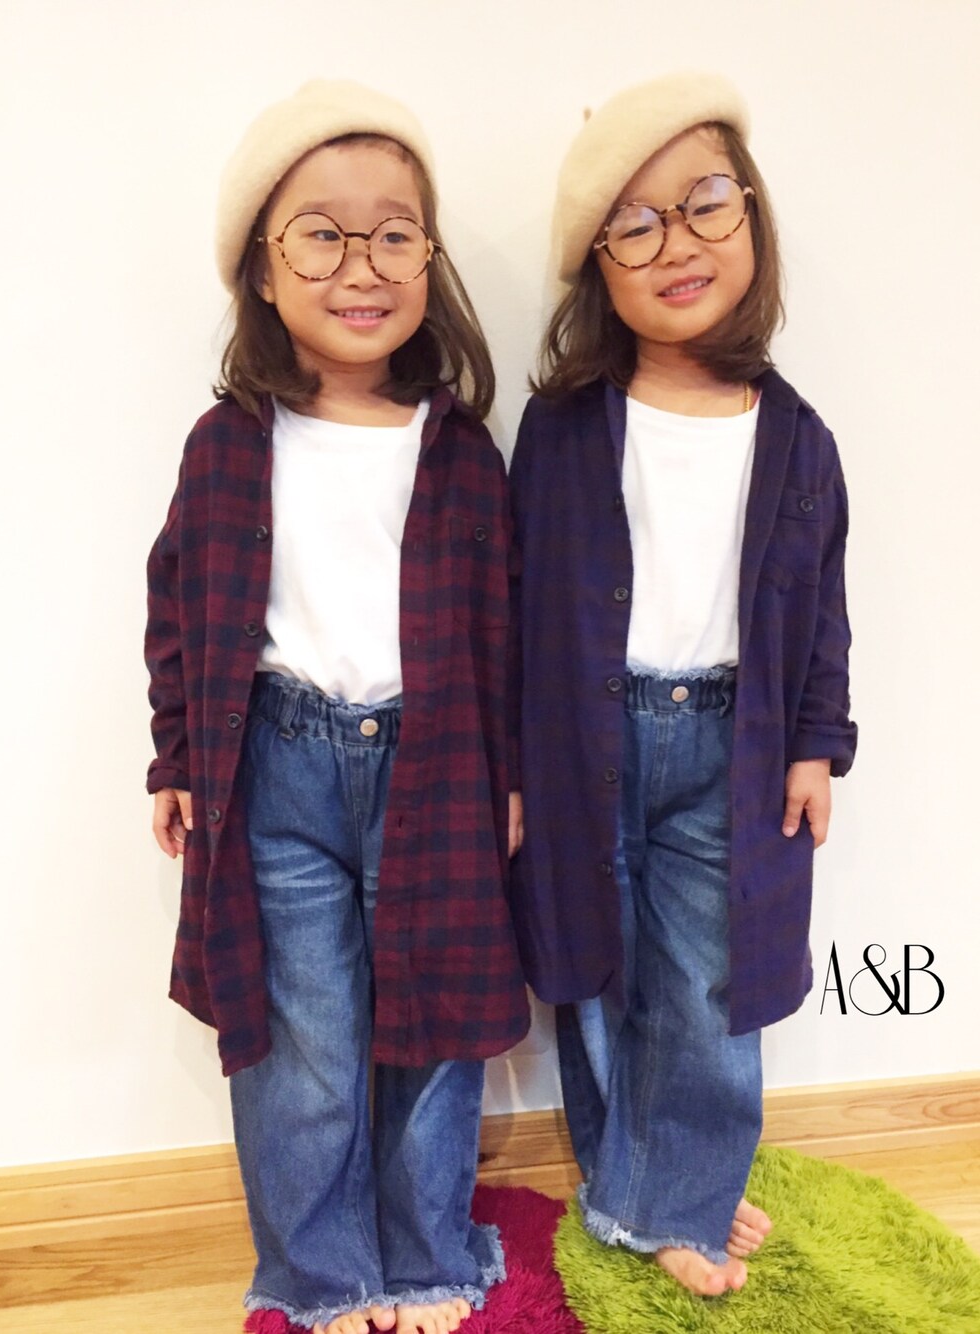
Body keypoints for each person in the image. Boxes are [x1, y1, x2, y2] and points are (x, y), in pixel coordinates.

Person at [145, 79, 529, 1334]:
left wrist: (512, 772)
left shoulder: (460, 448)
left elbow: (504, 628)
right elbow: (179, 606)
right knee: (302, 1035)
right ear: (262, 268)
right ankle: (320, 1274)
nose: (361, 265)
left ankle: (425, 1255)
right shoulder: (225, 443)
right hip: (278, 768)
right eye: (321, 233)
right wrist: (175, 753)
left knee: (435, 1024)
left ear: (428, 259)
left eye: (394, 234)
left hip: (438, 765)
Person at [508, 71, 857, 1298]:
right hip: (582, 739)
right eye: (635, 223)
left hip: (732, 743)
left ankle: (685, 1182)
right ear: (597, 265)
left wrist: (814, 742)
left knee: (708, 983)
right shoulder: (561, 428)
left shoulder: (797, 435)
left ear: (750, 216)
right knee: (597, 966)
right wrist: (511, 767)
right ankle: (634, 1181)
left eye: (705, 203)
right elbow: (514, 605)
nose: (676, 243)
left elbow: (820, 609)